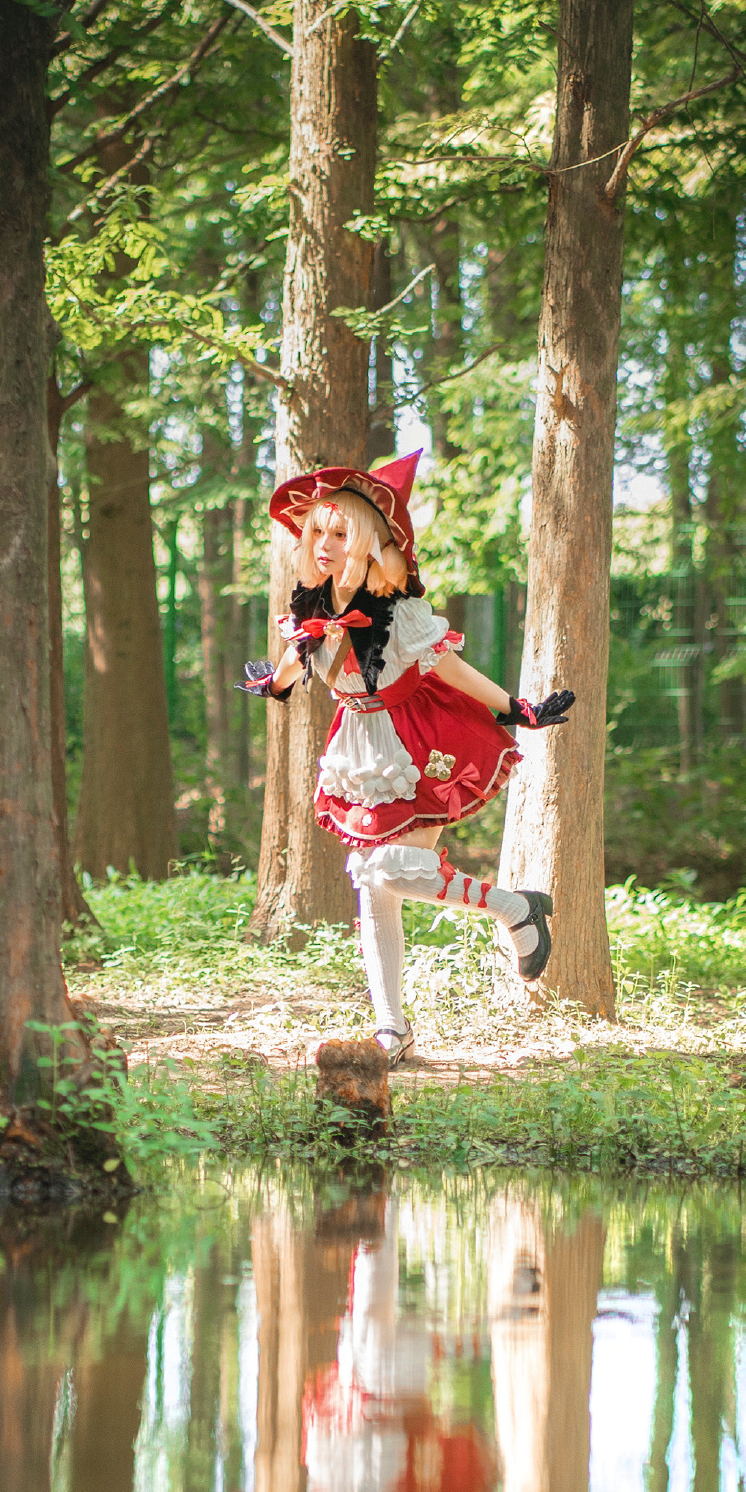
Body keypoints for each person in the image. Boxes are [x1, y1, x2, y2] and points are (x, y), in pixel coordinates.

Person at [245, 453, 576, 1065]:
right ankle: (393, 1030)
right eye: (317, 530)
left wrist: (518, 708)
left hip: (419, 741)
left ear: (371, 543)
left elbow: (449, 667)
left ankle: (514, 907)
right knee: (374, 891)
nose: (324, 543)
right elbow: (295, 670)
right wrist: (276, 679)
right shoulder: (310, 609)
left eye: (341, 533)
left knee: (385, 871)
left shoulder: (400, 613)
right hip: (357, 748)